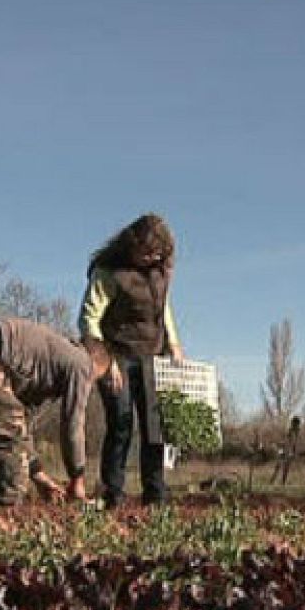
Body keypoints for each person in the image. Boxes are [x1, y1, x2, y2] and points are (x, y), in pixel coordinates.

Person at [0, 313, 109, 505]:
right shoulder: (82, 362)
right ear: (94, 363)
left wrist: (39, 476)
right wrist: (77, 478)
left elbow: (17, 425)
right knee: (6, 435)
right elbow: (73, 424)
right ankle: (7, 505)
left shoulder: (46, 361)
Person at [79, 213, 184, 508]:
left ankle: (155, 492)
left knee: (156, 427)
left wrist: (174, 343)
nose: (151, 258)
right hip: (118, 356)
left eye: (157, 254)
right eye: (146, 252)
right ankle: (113, 492)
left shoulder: (161, 273)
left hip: (154, 357)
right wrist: (105, 360)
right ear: (131, 245)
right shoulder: (109, 272)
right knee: (121, 423)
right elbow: (89, 318)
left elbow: (163, 310)